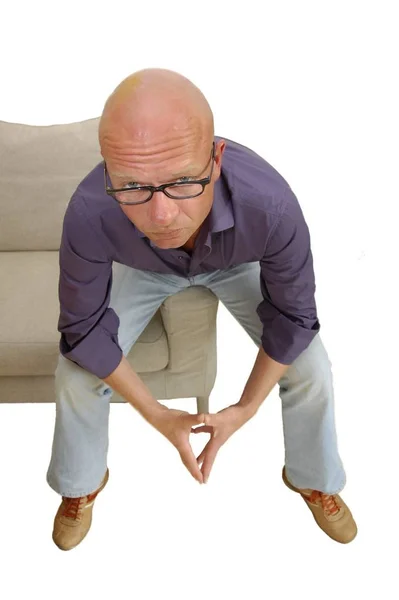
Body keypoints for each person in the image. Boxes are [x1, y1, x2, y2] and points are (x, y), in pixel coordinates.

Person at [46, 67, 357, 551]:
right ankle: (81, 485)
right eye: (132, 187)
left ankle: (313, 479)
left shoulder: (270, 206)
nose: (162, 215)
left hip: (232, 263)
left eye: (182, 182)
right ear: (109, 171)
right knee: (74, 375)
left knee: (312, 367)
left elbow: (295, 316)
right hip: (142, 269)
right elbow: (83, 330)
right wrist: (156, 414)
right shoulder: (90, 209)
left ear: (215, 161)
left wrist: (244, 408)